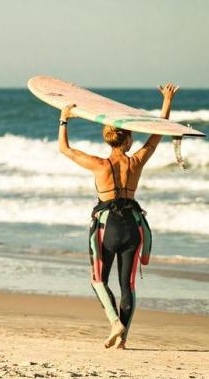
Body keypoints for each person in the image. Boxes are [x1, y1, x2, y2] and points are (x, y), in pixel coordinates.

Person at [58, 83, 180, 350]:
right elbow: (158, 135)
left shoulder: (99, 165)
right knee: (128, 285)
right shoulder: (136, 162)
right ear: (126, 140)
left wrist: (64, 119)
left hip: (107, 227)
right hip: (133, 226)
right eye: (131, 136)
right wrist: (167, 101)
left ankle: (115, 323)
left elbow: (65, 150)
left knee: (98, 279)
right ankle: (122, 340)